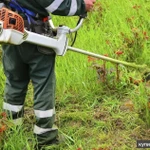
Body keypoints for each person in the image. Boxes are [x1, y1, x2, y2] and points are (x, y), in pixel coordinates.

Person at [0, 0, 95, 149]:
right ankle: (45, 136)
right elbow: (56, 3)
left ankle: (11, 126)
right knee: (43, 84)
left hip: (10, 33)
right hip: (36, 37)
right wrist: (82, 5)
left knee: (14, 81)